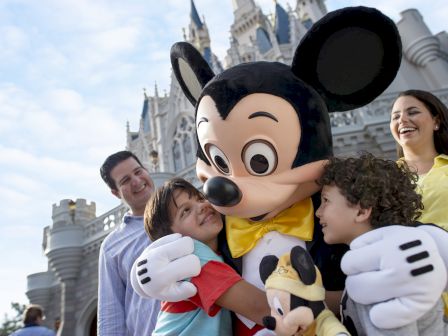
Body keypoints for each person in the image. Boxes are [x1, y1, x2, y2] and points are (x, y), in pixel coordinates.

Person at [315, 153, 446, 335]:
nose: (318, 213)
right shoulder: (380, 265)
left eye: (326, 201)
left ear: (361, 211)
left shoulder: (384, 275)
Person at [142, 177, 270, 335]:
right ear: (170, 238)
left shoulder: (218, 250)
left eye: (200, 198)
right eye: (185, 211)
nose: (202, 206)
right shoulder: (190, 256)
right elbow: (261, 309)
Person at [390, 89, 448, 315]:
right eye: (395, 117)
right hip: (412, 303)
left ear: (436, 122)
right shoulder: (381, 180)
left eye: (412, 112)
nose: (402, 120)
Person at [97, 150, 160, 335]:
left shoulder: (185, 212)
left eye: (138, 171)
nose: (136, 181)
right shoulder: (112, 246)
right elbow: (110, 313)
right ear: (116, 193)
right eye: (125, 180)